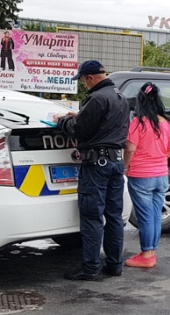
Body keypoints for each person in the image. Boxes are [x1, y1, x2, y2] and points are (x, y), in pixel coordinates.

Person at [52, 60, 130, 280]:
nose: (84, 85)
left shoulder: (97, 98)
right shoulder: (121, 98)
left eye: (84, 80)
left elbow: (78, 130)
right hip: (115, 162)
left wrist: (61, 121)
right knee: (114, 216)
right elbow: (105, 126)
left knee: (92, 217)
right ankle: (114, 265)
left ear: (91, 77)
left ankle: (90, 268)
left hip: (96, 166)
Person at [122, 82, 170, 268]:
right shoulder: (167, 123)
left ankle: (146, 255)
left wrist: (125, 167)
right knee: (154, 215)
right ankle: (150, 251)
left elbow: (130, 148)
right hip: (161, 174)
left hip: (141, 175)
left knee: (145, 217)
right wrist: (159, 157)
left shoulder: (138, 123)